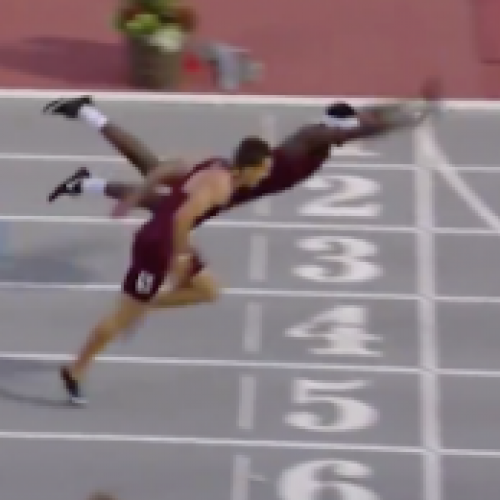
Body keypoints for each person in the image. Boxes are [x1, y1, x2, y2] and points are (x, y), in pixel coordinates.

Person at [44, 79, 440, 312]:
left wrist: (411, 109)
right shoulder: (316, 137)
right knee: (155, 178)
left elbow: (371, 119)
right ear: (337, 127)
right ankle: (87, 117)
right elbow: (366, 128)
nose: (347, 137)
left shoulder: (321, 133)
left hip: (237, 185)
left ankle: (87, 173)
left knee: (159, 191)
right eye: (345, 131)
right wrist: (412, 117)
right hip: (230, 182)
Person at [44, 96, 272, 405]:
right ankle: (76, 369)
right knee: (121, 316)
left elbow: (165, 168)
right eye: (263, 170)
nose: (265, 176)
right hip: (157, 245)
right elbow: (181, 218)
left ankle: (145, 306)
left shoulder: (213, 162)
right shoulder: (221, 188)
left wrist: (136, 195)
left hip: (171, 240)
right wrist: (180, 258)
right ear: (249, 167)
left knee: (208, 291)